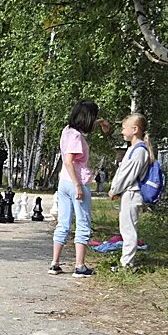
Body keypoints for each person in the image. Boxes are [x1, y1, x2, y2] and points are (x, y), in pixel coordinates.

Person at [48, 99, 110, 277]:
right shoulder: (76, 137)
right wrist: (78, 186)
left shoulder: (67, 131)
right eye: (94, 117)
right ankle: (80, 266)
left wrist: (100, 123)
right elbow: (68, 161)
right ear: (87, 118)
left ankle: (55, 263)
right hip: (77, 183)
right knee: (83, 224)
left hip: (63, 183)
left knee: (63, 223)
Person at [109, 114, 154, 270]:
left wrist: (115, 189)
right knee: (125, 228)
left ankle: (127, 264)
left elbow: (128, 174)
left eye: (123, 128)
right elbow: (122, 171)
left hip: (132, 193)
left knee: (129, 230)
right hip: (127, 193)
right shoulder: (132, 149)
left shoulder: (140, 151)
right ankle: (125, 261)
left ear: (135, 130)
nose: (122, 132)